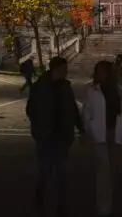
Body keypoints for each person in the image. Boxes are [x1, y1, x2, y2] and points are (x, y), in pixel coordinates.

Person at [26, 57, 84, 217]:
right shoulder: (39, 87)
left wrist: (81, 128)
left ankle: (62, 206)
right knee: (45, 170)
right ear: (55, 69)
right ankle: (40, 195)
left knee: (62, 174)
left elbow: (73, 109)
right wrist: (39, 126)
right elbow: (30, 109)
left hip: (62, 136)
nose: (66, 72)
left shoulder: (66, 87)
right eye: (64, 69)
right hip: (45, 136)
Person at [82, 60, 122, 217]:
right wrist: (89, 128)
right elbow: (86, 112)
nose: (99, 74)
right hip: (99, 135)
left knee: (113, 171)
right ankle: (103, 207)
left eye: (102, 71)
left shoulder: (119, 91)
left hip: (116, 134)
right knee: (102, 171)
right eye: (98, 71)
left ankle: (107, 202)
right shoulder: (92, 91)